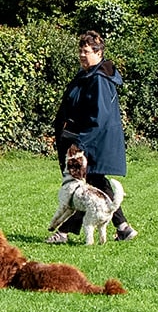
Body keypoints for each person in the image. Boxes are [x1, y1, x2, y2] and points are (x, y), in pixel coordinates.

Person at [50, 29, 138, 243]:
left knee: (86, 188)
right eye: (80, 50)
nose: (82, 55)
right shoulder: (86, 74)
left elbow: (99, 117)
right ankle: (124, 227)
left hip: (94, 140)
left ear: (99, 53)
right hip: (83, 138)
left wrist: (81, 145)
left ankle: (64, 231)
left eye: (87, 51)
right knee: (96, 183)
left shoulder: (99, 79)